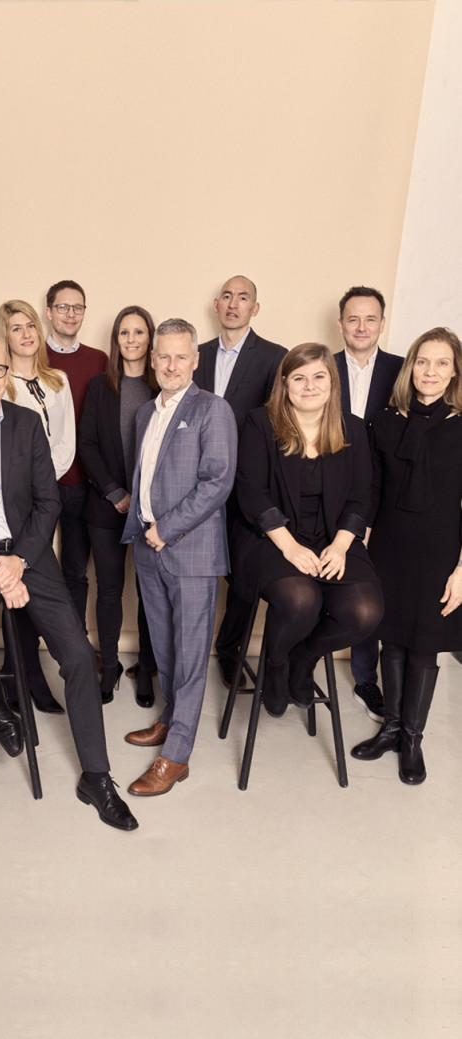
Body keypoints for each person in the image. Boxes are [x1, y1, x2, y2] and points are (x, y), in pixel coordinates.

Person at [0, 334, 137, 831]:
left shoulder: (26, 423)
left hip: (29, 555)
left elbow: (47, 502)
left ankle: (97, 777)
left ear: (6, 375)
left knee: (78, 656)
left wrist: (19, 561)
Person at [232, 343, 383, 719]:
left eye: (319, 377)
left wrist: (341, 545)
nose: (310, 386)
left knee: (365, 612)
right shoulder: (260, 423)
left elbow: (361, 496)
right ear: (285, 384)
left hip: (333, 536)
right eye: (299, 378)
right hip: (270, 538)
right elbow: (251, 492)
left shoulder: (353, 428)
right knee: (301, 600)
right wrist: (289, 547)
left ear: (332, 383)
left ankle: (304, 657)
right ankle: (277, 664)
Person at [122, 318, 237, 796]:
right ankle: (170, 719)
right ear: (153, 360)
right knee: (165, 646)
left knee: (190, 655)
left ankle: (177, 755)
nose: (171, 365)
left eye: (181, 356)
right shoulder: (145, 414)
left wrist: (165, 530)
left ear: (195, 360)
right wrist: (146, 531)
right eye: (163, 356)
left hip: (188, 550)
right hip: (147, 547)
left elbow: (218, 481)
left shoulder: (212, 409)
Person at [351, 328, 462, 784]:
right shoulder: (383, 422)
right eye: (422, 361)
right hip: (389, 549)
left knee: (423, 645)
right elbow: (372, 491)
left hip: (440, 554)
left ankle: (412, 740)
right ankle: (391, 728)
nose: (430, 371)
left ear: (454, 372)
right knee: (391, 639)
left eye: (441, 363)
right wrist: (360, 548)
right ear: (410, 367)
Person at [192, 275, 286, 689]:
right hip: (197, 485)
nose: (233, 304)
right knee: (192, 570)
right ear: (216, 304)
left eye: (242, 297)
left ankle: (229, 651)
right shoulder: (196, 355)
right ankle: (183, 652)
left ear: (255, 308)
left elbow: (276, 424)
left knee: (243, 576)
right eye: (227, 296)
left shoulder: (274, 357)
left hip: (246, 484)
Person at [0, 299, 76, 713]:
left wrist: (44, 483)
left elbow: (66, 443)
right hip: (10, 505)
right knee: (15, 586)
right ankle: (23, 677)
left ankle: (22, 674)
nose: (26, 334)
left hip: (47, 503)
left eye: (30, 326)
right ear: (4, 336)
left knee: (38, 590)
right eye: (16, 328)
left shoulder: (58, 380)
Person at [78, 305, 158, 707]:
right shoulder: (99, 386)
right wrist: (114, 493)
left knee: (149, 593)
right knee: (109, 591)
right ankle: (108, 667)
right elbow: (87, 445)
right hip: (106, 507)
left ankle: (145, 670)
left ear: (150, 338)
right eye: (124, 332)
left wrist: (141, 500)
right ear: (116, 339)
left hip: (152, 512)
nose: (131, 339)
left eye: (139, 332)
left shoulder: (163, 388)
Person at [334, 286, 403, 721]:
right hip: (324, 494)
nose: (362, 327)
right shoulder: (320, 368)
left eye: (370, 318)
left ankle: (365, 679)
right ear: (340, 323)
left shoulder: (403, 371)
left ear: (382, 323)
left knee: (370, 585)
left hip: (384, 499)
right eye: (353, 319)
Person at [43, 280, 108, 629]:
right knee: (32, 565)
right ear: (49, 312)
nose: (71, 314)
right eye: (63, 307)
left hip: (84, 482)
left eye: (78, 307)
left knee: (76, 570)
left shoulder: (99, 360)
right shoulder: (32, 354)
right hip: (41, 481)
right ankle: (30, 645)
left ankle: (75, 642)